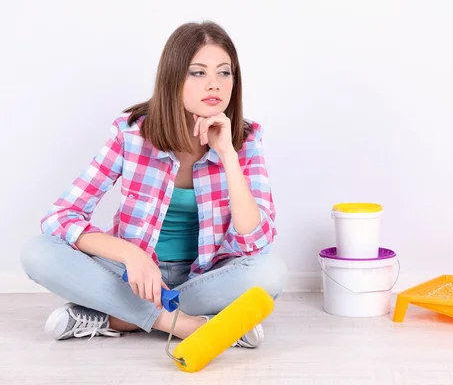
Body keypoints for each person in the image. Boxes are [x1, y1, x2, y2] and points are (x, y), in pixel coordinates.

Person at [20, 21, 287, 347]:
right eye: (198, 73)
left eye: (224, 73)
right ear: (173, 78)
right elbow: (60, 217)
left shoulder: (246, 139)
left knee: (270, 273)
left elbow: (254, 243)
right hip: (132, 276)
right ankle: (190, 325)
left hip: (203, 278)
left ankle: (117, 318)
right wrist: (132, 255)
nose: (214, 85)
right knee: (38, 252)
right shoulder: (131, 133)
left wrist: (228, 155)